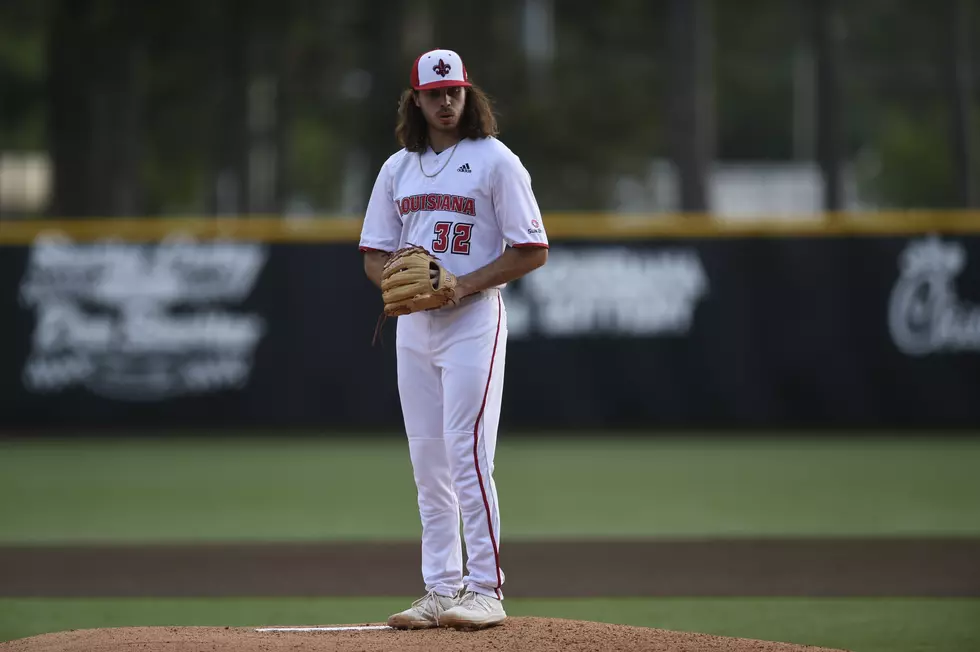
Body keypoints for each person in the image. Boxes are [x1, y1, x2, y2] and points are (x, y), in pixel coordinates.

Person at [358, 48, 549, 631]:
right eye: (434, 93)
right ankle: (440, 588)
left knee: (467, 455)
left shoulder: (496, 161)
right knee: (428, 462)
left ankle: (486, 589)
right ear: (415, 99)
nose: (445, 101)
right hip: (414, 329)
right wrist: (397, 286)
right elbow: (374, 254)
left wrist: (462, 284)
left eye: (455, 92)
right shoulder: (397, 168)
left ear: (469, 97)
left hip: (473, 324)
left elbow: (531, 248)